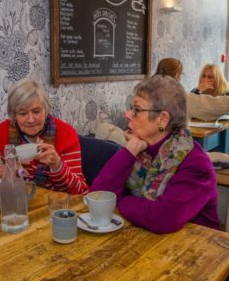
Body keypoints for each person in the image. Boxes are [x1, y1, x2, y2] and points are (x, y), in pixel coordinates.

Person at [90, 75, 219, 233]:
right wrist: (129, 151)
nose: (127, 114)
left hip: (195, 247)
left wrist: (119, 200)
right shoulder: (141, 148)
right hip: (146, 239)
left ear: (163, 119)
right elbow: (97, 196)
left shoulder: (196, 164)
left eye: (136, 110)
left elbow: (163, 218)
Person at [0, 79, 88, 194]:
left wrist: (58, 166)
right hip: (16, 201)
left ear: (46, 110)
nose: (30, 119)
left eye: (36, 111)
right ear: (14, 115)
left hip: (54, 207)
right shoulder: (3, 131)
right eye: (23, 113)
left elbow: (79, 190)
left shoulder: (66, 134)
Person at [153, 57, 229, 120]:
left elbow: (221, 105)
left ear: (218, 79)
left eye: (210, 77)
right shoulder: (185, 95)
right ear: (177, 76)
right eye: (204, 76)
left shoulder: (147, 90)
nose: (206, 79)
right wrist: (198, 90)